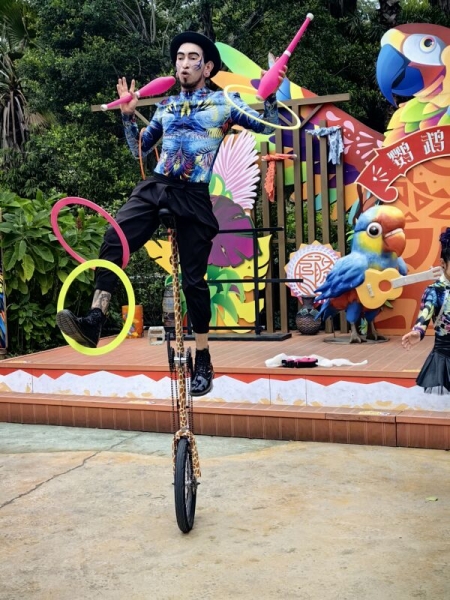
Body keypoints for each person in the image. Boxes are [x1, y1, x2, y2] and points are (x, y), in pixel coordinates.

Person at [56, 30, 287, 396]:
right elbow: (139, 150)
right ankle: (96, 318)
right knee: (114, 238)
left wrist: (271, 95)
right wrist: (128, 118)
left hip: (193, 194)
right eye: (180, 57)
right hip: (158, 185)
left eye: (192, 57)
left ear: (207, 67)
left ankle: (203, 357)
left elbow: (272, 130)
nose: (184, 63)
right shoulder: (165, 106)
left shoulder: (225, 103)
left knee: (193, 282)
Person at [401, 228, 450, 393]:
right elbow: (425, 313)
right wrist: (418, 331)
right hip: (445, 359)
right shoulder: (435, 291)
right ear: (443, 263)